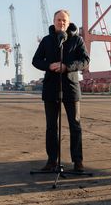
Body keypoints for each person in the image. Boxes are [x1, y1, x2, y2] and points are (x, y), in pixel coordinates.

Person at [32, 9, 90, 172]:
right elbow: (36, 60)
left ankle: (77, 161)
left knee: (75, 125)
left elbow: (85, 61)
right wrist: (48, 65)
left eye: (64, 20)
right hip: (51, 87)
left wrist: (67, 67)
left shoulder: (77, 40)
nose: (61, 23)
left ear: (68, 22)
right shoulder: (47, 40)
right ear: (54, 21)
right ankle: (52, 161)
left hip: (71, 87)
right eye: (58, 20)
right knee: (51, 126)